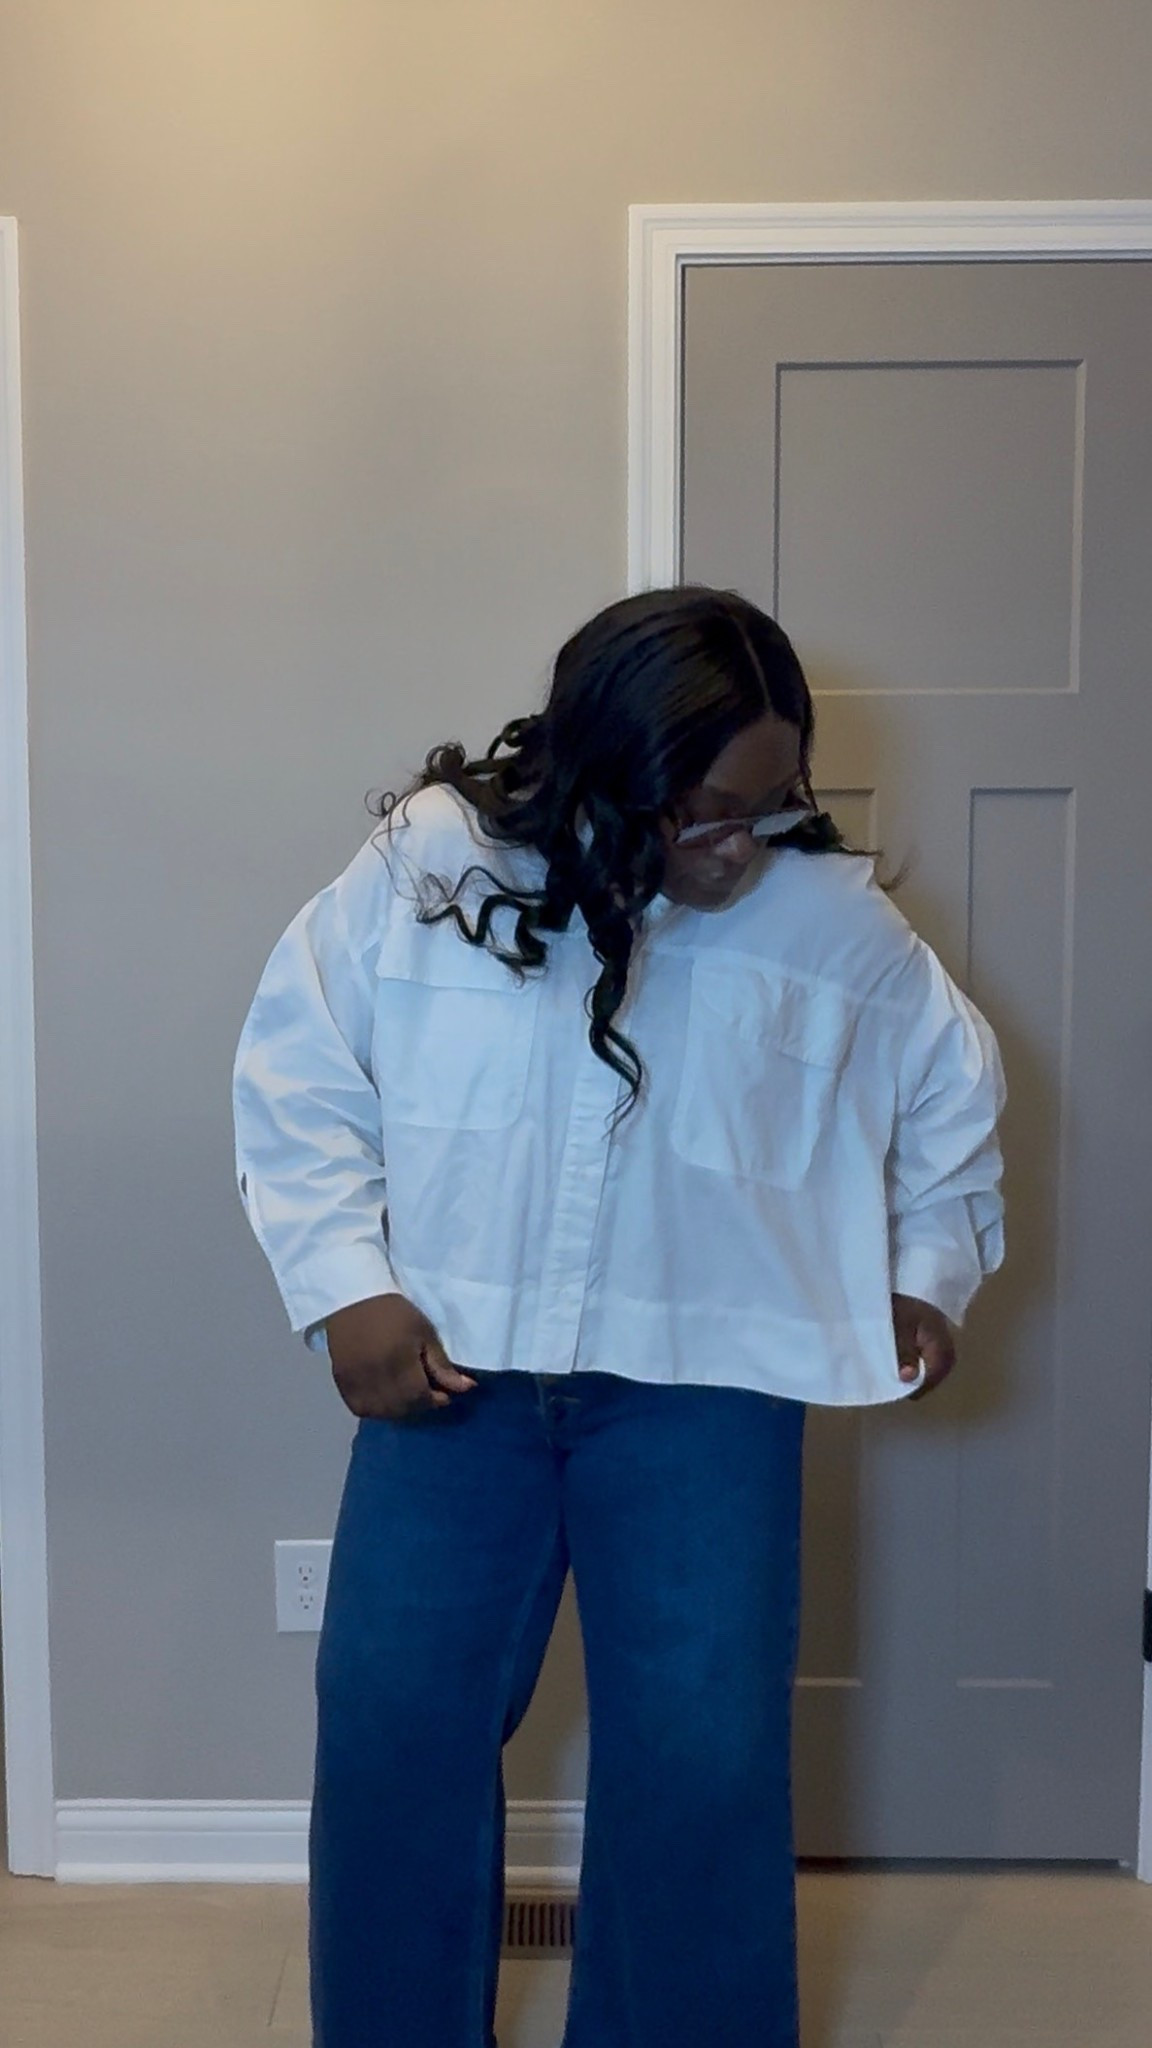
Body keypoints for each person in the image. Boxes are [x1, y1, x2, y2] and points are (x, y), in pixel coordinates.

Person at [232, 583, 1006, 2048]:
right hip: (453, 1374)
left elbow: (949, 1094)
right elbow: (301, 1064)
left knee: (702, 1762)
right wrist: (345, 1282)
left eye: (774, 805)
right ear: (605, 767)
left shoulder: (827, 919)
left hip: (708, 1386)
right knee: (395, 1724)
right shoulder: (435, 863)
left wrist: (930, 1266)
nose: (742, 846)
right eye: (707, 811)